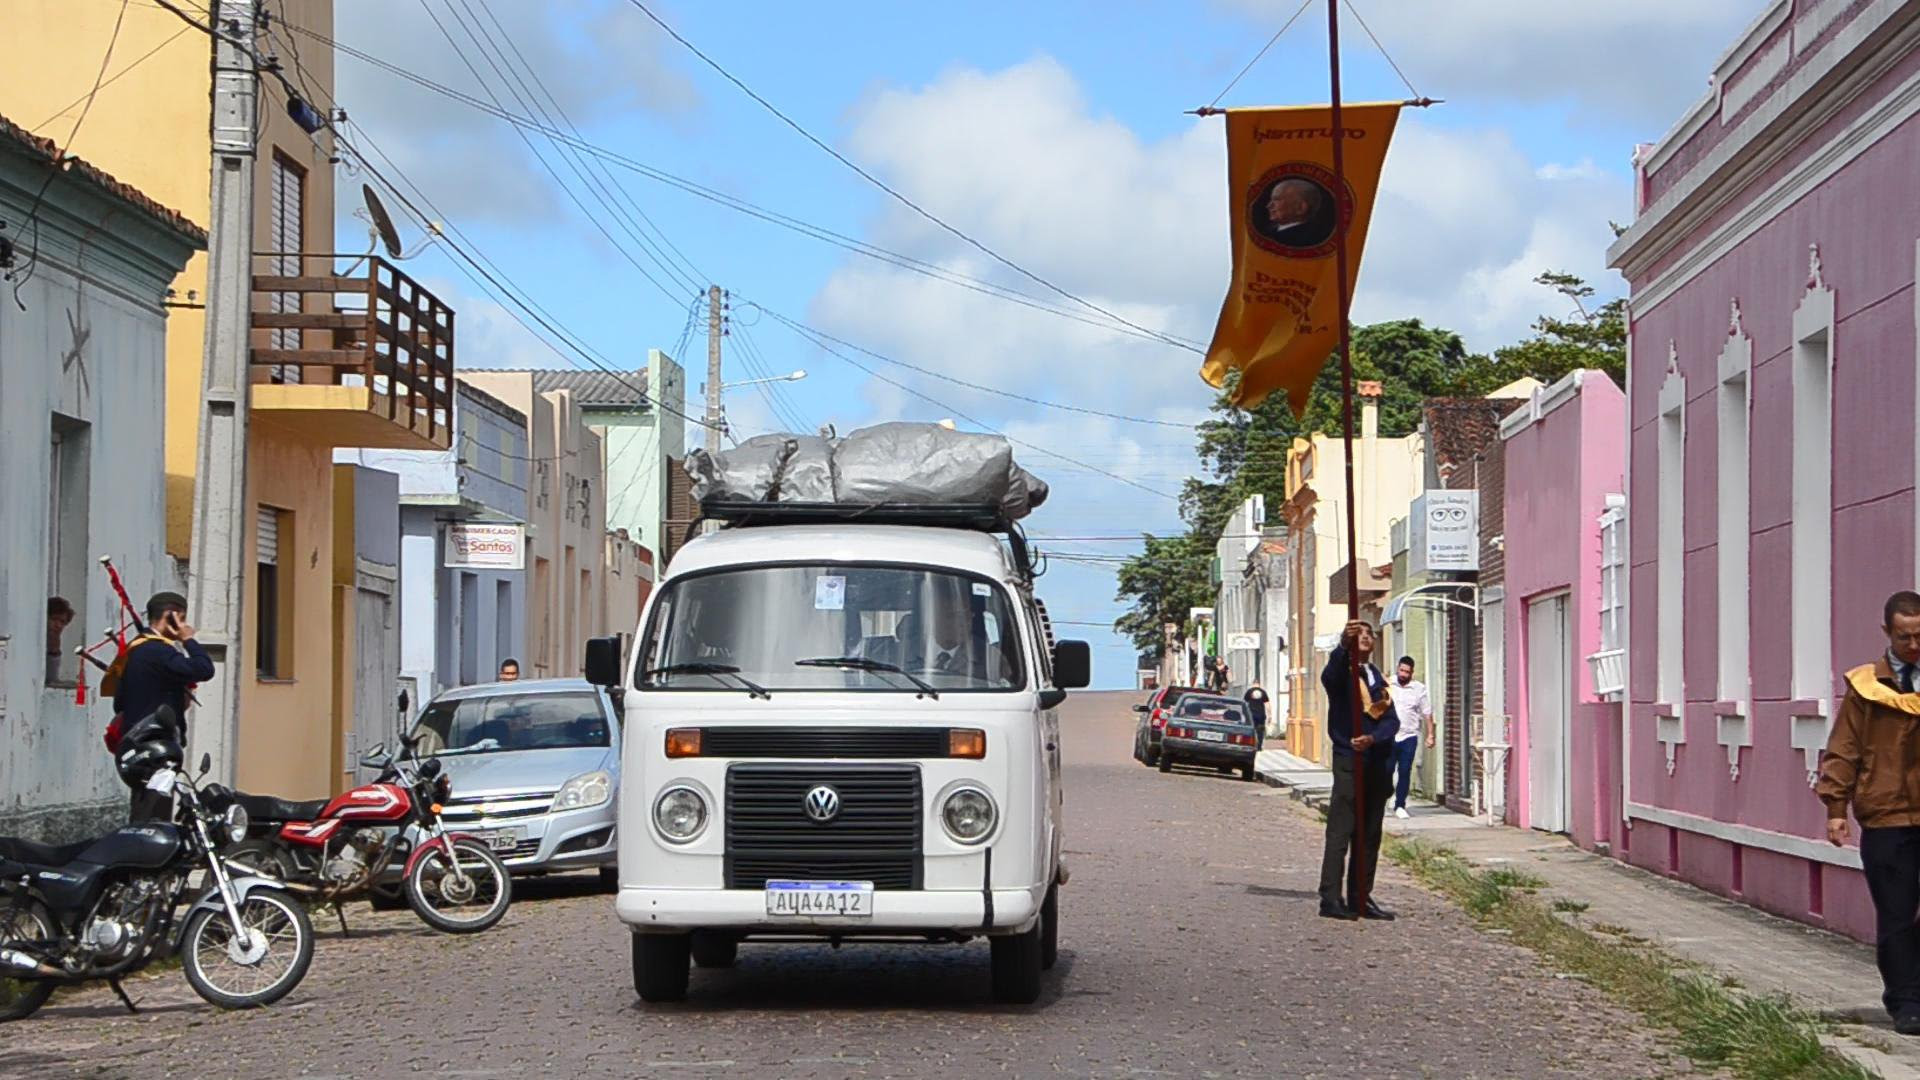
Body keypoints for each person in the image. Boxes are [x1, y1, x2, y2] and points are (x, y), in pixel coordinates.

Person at [1820, 590, 1920, 1035]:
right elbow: (1844, 749)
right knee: (1897, 914)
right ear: (1887, 633)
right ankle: (1906, 1003)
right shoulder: (1866, 688)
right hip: (1887, 816)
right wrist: (1835, 807)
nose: (1914, 646)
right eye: (1904, 637)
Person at [1318, 619, 1399, 922]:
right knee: (1342, 829)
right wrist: (1342, 645)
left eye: (1369, 634)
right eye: (1359, 634)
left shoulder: (1375, 674)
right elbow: (1330, 677)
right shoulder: (1344, 673)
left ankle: (1360, 897)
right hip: (1349, 759)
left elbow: (1391, 719)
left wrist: (1374, 738)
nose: (1365, 638)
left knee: (1369, 833)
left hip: (1376, 762)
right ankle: (1330, 897)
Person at [112, 592, 214, 822]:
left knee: (146, 806)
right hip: (156, 746)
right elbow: (204, 668)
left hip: (138, 742)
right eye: (182, 619)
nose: (185, 625)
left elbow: (120, 701)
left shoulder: (135, 649)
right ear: (172, 616)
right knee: (154, 813)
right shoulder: (157, 651)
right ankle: (143, 855)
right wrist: (188, 639)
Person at [1385, 656, 1433, 820]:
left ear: (1412, 672)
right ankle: (1385, 797)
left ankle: (1400, 805)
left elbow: (1427, 713)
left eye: (1407, 672)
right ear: (1397, 669)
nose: (1404, 674)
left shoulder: (1419, 689)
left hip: (1409, 736)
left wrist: (1430, 735)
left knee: (1405, 770)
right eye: (1401, 670)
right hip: (1390, 735)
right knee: (1386, 770)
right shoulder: (1388, 684)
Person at [46, 596, 75, 685]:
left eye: (62, 622)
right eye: (54, 619)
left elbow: (51, 678)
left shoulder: (55, 641)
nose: (58, 625)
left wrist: (54, 650)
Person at [1244, 682, 1270, 749]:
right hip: (1261, 715)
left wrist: (1244, 714)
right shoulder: (1263, 692)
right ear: (1259, 684)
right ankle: (1259, 746)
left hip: (1251, 714)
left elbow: (1245, 703)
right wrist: (1269, 714)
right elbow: (1267, 704)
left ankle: (1250, 745)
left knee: (1251, 730)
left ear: (1253, 684)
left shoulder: (1249, 691)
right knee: (1260, 731)